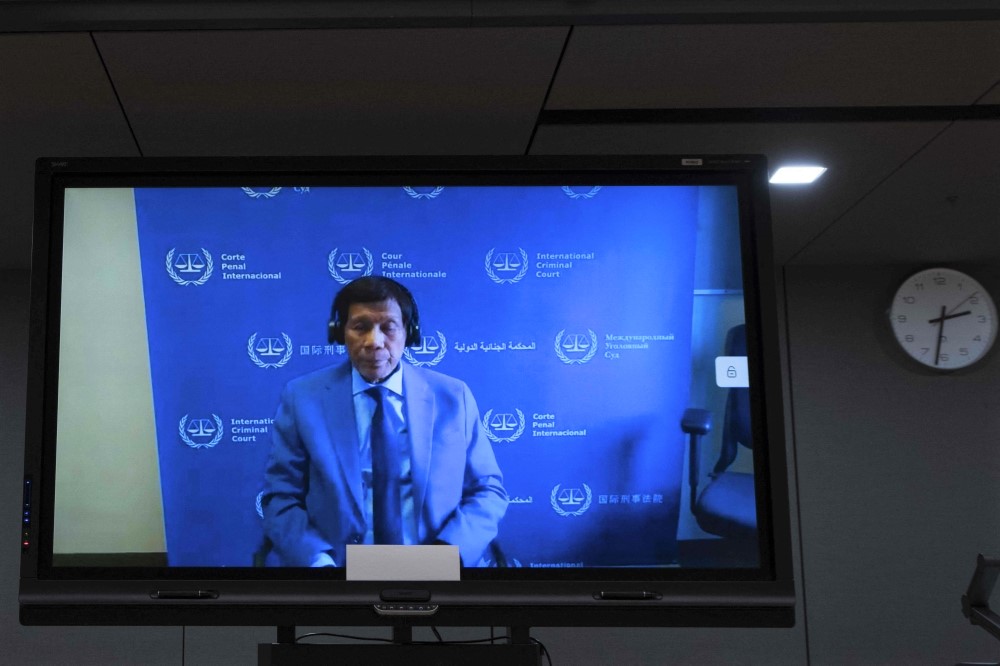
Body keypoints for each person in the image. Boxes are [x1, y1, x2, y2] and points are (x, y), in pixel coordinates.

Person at [261, 276, 507, 567]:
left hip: (436, 568)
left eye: (388, 328)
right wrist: (318, 561)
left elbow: (487, 490)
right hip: (338, 571)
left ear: (409, 332)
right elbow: (281, 498)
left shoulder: (453, 397)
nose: (374, 342)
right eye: (360, 327)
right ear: (340, 332)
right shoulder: (303, 398)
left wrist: (448, 555)